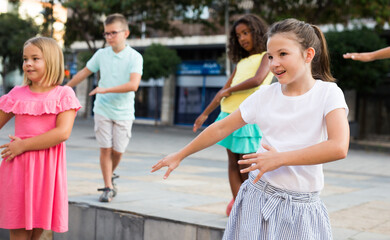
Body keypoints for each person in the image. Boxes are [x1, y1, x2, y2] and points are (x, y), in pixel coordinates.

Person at [152, 18, 350, 239]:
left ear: (308, 55)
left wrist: (281, 158)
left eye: (283, 54)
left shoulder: (328, 94)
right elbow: (220, 128)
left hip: (302, 208)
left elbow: (339, 147)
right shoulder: (265, 96)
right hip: (257, 199)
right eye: (271, 56)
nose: (275, 63)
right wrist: (180, 155)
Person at [0, 37, 81, 240]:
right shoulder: (17, 94)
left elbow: (62, 133)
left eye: (35, 58)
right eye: (25, 58)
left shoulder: (64, 94)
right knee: (19, 234)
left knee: (39, 235)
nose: (28, 63)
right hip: (18, 171)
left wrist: (24, 145)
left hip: (47, 174)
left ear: (52, 61)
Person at [192, 14, 273, 216]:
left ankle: (250, 207)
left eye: (246, 33)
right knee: (233, 164)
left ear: (257, 32)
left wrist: (230, 90)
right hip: (227, 115)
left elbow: (258, 79)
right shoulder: (241, 63)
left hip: (247, 119)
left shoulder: (266, 56)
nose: (242, 38)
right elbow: (222, 92)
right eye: (238, 36)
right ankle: (239, 206)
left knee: (247, 166)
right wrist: (205, 113)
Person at [66, 13, 143, 203]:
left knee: (118, 151)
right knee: (105, 149)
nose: (109, 37)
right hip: (102, 109)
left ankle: (111, 175)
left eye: (113, 33)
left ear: (126, 33)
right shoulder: (101, 54)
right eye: (106, 34)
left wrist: (105, 89)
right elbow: (84, 72)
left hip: (124, 111)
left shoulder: (135, 57)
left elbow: (134, 85)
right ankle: (108, 186)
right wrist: (64, 89)